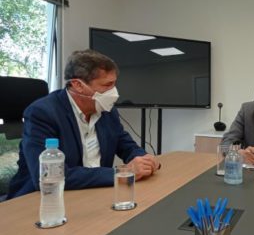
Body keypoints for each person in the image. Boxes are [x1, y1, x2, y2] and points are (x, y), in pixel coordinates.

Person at [7, 49, 160, 199]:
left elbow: (124, 143)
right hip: (44, 199)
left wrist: (143, 158)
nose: (114, 92)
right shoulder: (42, 113)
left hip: (94, 193)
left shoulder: (106, 110)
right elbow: (50, 176)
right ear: (78, 85)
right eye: (107, 85)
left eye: (114, 84)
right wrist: (122, 172)